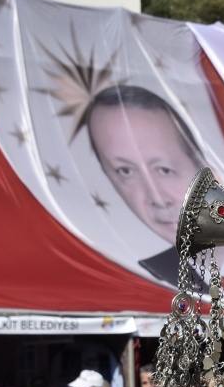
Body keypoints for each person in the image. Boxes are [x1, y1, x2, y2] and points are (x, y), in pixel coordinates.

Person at [76, 84, 210, 285]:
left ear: (203, 165)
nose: (157, 198)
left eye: (164, 170)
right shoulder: (134, 281)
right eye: (126, 171)